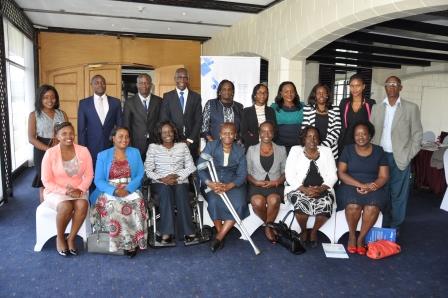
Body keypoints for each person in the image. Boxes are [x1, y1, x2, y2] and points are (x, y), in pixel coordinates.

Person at [370, 76, 423, 231]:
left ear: (400, 87)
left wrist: (408, 155)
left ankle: (395, 227)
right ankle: (382, 225)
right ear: (385, 88)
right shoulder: (377, 108)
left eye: (395, 84)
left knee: (398, 196)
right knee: (381, 193)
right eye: (388, 84)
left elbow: (417, 135)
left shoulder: (411, 108)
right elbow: (371, 134)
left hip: (400, 158)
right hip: (380, 158)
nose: (391, 87)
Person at [90, 127, 147, 258]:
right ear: (113, 138)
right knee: (114, 206)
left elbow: (140, 175)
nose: (124, 139)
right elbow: (98, 180)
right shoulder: (103, 155)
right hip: (108, 189)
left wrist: (128, 189)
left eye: (127, 136)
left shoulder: (135, 152)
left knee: (137, 202)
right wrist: (114, 190)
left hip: (130, 187)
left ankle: (132, 243)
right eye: (120, 136)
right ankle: (116, 243)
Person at [40, 122, 93, 256]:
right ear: (57, 136)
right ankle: (60, 237)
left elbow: (89, 175)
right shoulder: (50, 153)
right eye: (64, 133)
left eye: (71, 133)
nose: (68, 136)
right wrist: (65, 192)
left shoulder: (83, 150)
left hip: (78, 190)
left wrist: (80, 189)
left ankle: (71, 238)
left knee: (82, 204)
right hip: (56, 191)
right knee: (66, 206)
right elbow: (46, 180)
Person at [337, 122, 389, 254]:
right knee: (353, 205)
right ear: (353, 136)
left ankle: (361, 238)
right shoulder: (348, 150)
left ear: (370, 135)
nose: (360, 137)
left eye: (364, 134)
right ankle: (352, 236)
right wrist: (360, 185)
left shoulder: (379, 151)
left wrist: (373, 186)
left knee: (372, 207)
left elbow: (384, 176)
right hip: (350, 184)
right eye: (357, 134)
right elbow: (341, 173)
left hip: (373, 186)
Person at [197, 122, 249, 252]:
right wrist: (210, 183)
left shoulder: (240, 150)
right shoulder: (211, 146)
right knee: (214, 201)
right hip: (212, 181)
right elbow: (200, 167)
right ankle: (222, 233)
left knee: (240, 204)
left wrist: (228, 186)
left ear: (235, 135)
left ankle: (219, 236)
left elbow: (242, 174)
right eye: (225, 133)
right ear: (220, 135)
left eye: (231, 133)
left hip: (233, 183)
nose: (228, 135)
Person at [144, 121, 197, 244]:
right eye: (164, 132)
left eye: (170, 131)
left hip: (180, 180)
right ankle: (166, 232)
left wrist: (177, 177)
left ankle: (188, 231)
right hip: (159, 182)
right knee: (165, 190)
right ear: (159, 134)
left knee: (180, 190)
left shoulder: (182, 146)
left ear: (174, 132)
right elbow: (148, 169)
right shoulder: (153, 147)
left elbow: (191, 167)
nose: (168, 134)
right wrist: (163, 179)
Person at [285, 126, 337, 247]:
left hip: (323, 189)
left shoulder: (326, 151)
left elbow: (333, 175)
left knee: (326, 204)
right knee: (301, 204)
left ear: (319, 140)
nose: (312, 140)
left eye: (315, 137)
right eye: (309, 136)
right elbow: (289, 175)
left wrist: (320, 188)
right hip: (299, 189)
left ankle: (314, 232)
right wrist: (305, 190)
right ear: (303, 139)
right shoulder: (295, 150)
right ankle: (303, 231)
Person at [246, 121, 286, 243]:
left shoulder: (281, 149)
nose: (266, 134)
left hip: (275, 185)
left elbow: (285, 172)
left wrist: (277, 182)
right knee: (257, 202)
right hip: (256, 185)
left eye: (269, 131)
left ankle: (267, 228)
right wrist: (256, 182)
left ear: (273, 134)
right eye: (263, 131)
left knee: (273, 200)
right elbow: (247, 172)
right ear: (259, 133)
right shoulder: (251, 150)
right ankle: (269, 225)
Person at [28, 84, 68, 202]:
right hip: (41, 150)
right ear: (40, 98)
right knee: (45, 181)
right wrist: (49, 149)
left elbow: (67, 132)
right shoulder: (34, 115)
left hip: (60, 149)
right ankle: (45, 209)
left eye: (53, 97)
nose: (50, 100)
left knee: (60, 178)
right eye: (46, 97)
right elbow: (31, 138)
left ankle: (59, 205)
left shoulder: (62, 114)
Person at [78, 74, 122, 167]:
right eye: (96, 83)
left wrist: (119, 145)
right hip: (91, 147)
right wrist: (82, 149)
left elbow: (119, 126)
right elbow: (81, 129)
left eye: (102, 83)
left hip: (111, 146)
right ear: (92, 85)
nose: (100, 85)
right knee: (93, 172)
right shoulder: (84, 103)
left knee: (110, 171)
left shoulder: (115, 102)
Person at [160, 68, 202, 161]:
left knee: (190, 172)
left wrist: (190, 140)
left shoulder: (196, 97)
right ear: (175, 79)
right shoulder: (167, 96)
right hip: (173, 142)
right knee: (174, 171)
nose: (182, 80)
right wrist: (175, 139)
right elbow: (165, 120)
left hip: (191, 143)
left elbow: (198, 120)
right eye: (179, 77)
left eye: (184, 77)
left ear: (188, 79)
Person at [123, 73, 162, 159]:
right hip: (135, 145)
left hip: (154, 144)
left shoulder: (159, 101)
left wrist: (160, 143)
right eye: (141, 83)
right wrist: (128, 146)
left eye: (146, 83)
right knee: (137, 171)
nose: (144, 85)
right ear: (137, 85)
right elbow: (126, 126)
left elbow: (161, 123)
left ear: (151, 85)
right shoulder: (129, 102)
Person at [338, 74, 376, 153]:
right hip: (345, 144)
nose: (354, 89)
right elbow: (340, 123)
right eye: (352, 86)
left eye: (358, 85)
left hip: (363, 144)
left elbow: (373, 126)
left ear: (363, 86)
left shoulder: (370, 103)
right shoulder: (344, 103)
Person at [302, 83, 341, 159]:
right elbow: (305, 129)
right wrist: (313, 146)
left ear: (327, 95)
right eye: (318, 93)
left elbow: (336, 130)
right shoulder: (307, 109)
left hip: (330, 150)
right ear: (315, 96)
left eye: (324, 93)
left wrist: (321, 147)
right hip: (311, 149)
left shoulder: (335, 109)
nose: (321, 95)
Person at [270, 81, 304, 153]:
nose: (289, 94)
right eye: (286, 91)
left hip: (299, 147)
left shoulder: (303, 107)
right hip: (279, 147)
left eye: (292, 91)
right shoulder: (274, 108)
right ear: (281, 93)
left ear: (295, 93)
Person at [240, 84, 277, 151]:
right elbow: (243, 132)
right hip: (252, 147)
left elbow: (275, 130)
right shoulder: (246, 111)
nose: (262, 95)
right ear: (254, 95)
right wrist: (256, 142)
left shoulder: (271, 111)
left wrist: (268, 140)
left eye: (265, 92)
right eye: (259, 92)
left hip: (269, 146)